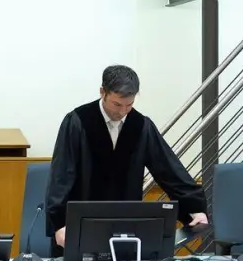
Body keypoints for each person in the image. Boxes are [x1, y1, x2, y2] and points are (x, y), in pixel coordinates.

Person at [44, 65, 207, 251]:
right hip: (78, 226)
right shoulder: (78, 121)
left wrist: (194, 208)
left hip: (126, 225)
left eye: (129, 105)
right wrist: (59, 223)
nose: (122, 112)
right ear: (102, 92)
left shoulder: (140, 125)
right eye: (117, 104)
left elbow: (168, 169)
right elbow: (61, 176)